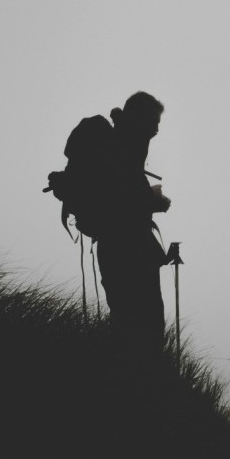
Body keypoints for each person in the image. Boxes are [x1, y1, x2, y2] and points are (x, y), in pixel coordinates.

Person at [95, 91, 171, 355]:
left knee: (125, 319)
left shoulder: (119, 143)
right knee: (143, 324)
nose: (156, 129)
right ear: (137, 117)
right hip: (129, 250)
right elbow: (122, 200)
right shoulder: (124, 147)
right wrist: (154, 201)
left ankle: (130, 370)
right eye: (153, 121)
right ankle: (140, 374)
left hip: (116, 247)